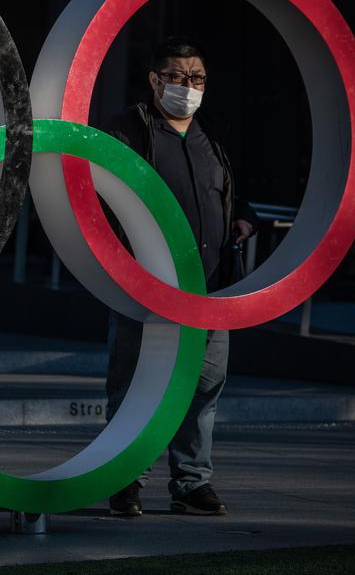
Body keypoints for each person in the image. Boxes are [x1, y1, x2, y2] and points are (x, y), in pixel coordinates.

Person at [104, 37, 257, 518]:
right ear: (154, 80)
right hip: (147, 286)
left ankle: (192, 483)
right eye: (176, 76)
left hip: (211, 289)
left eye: (196, 78)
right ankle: (125, 478)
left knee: (205, 386)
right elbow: (100, 195)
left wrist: (243, 216)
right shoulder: (129, 131)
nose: (187, 87)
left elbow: (226, 194)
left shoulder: (212, 134)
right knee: (135, 385)